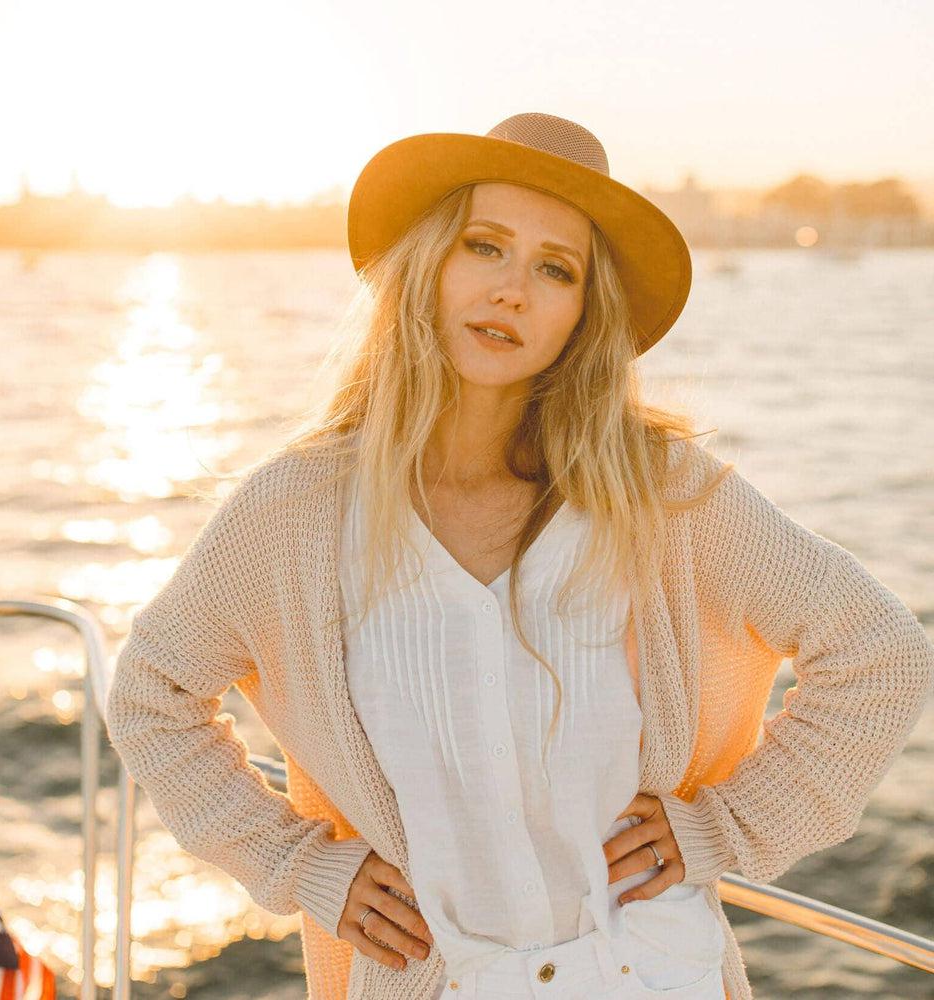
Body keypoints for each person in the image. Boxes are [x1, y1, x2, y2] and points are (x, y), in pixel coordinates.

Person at [104, 113, 934, 1000]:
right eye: (485, 246)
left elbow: (882, 655)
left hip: (653, 976)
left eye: (555, 268)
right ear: (429, 264)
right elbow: (152, 695)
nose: (512, 291)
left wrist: (727, 827)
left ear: (584, 311)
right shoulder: (298, 510)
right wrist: (298, 863)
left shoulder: (663, 494)